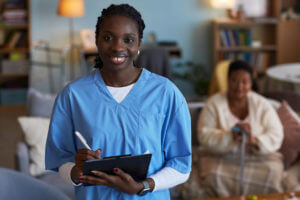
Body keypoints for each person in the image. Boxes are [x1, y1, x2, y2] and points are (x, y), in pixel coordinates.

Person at [45, 4, 191, 200]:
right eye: (107, 38)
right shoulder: (73, 95)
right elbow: (60, 161)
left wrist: (142, 186)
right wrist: (76, 171)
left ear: (139, 44)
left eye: (128, 40)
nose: (117, 47)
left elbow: (181, 165)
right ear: (96, 40)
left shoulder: (166, 93)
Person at [197, 60, 284, 197]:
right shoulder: (213, 103)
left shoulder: (262, 104)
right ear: (228, 81)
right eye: (235, 80)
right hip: (222, 157)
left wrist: (255, 140)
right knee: (213, 174)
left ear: (251, 84)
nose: (240, 86)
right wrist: (230, 136)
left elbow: (277, 133)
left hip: (256, 158)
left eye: (245, 82)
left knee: (273, 172)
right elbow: (204, 134)